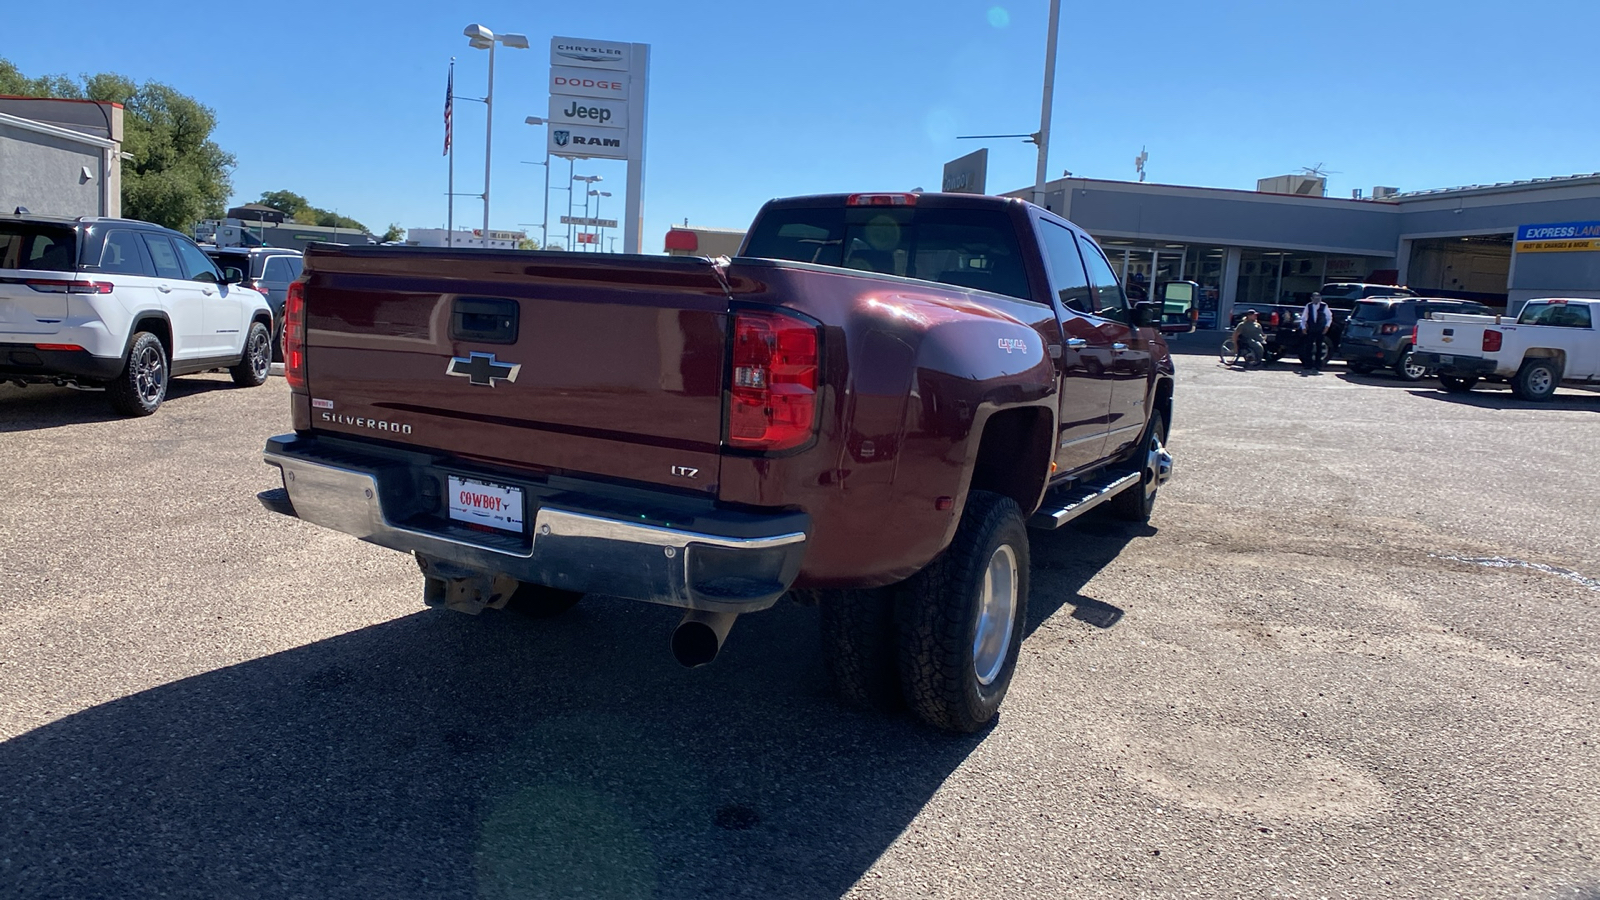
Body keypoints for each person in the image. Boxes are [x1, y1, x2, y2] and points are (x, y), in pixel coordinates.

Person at [1301, 292, 1333, 370]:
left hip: (1320, 329)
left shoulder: (1324, 306)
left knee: (1319, 347)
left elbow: (1329, 317)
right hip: (1311, 329)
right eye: (1315, 298)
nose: (1317, 299)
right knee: (1308, 347)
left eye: (1318, 298)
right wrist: (1303, 327)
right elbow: (1304, 318)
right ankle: (1308, 364)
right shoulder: (1309, 306)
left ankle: (1318, 365)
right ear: (1312, 298)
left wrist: (1327, 327)